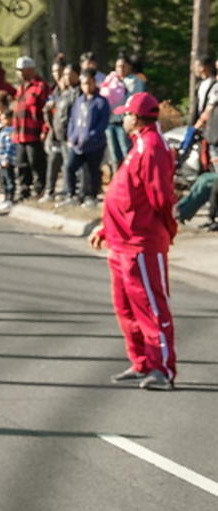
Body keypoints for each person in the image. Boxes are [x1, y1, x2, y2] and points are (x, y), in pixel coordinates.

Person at [89, 92, 177, 391]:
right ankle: (142, 361)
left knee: (151, 308)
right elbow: (128, 194)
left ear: (136, 117)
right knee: (126, 308)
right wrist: (106, 227)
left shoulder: (152, 147)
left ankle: (161, 369)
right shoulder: (139, 143)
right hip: (122, 240)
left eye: (126, 113)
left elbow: (160, 198)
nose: (122, 117)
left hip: (141, 242)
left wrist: (164, 230)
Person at [65, 69, 111, 206]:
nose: (86, 86)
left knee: (92, 171)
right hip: (77, 144)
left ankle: (91, 196)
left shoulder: (101, 102)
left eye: (89, 83)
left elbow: (102, 123)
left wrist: (90, 136)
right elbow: (73, 120)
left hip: (94, 144)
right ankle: (71, 194)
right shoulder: (79, 101)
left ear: (94, 83)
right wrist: (71, 137)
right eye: (84, 84)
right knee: (70, 167)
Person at [9, 56, 49, 200]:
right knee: (21, 164)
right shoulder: (20, 88)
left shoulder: (41, 86)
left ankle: (40, 189)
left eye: (21, 70)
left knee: (36, 163)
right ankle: (24, 191)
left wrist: (45, 130)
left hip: (34, 133)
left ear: (29, 70)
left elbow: (46, 110)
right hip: (20, 133)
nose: (19, 73)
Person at [42, 64, 80, 202]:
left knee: (69, 165)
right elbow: (56, 114)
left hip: (70, 135)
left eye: (68, 74)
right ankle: (52, 191)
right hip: (57, 133)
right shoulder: (62, 92)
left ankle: (71, 192)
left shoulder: (77, 93)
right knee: (54, 162)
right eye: (64, 74)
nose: (65, 77)